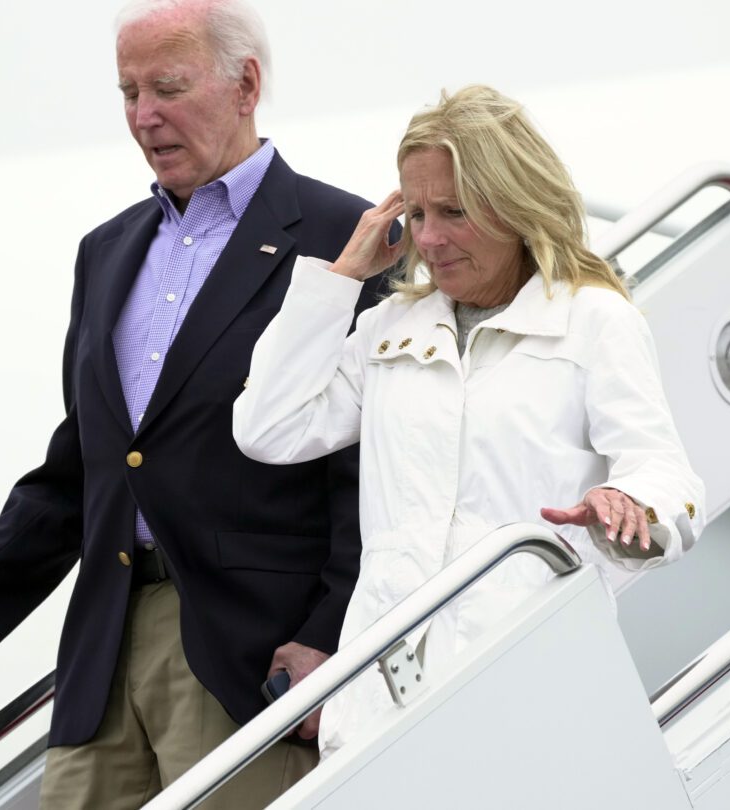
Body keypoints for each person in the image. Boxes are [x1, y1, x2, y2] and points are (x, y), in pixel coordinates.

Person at [0, 1, 388, 806]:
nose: (144, 116)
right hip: (101, 648)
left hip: (250, 656)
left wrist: (326, 636)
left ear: (246, 85)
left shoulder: (343, 235)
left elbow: (368, 468)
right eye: (128, 92)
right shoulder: (106, 251)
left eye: (167, 87)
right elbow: (86, 467)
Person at [233, 84, 705, 757]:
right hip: (380, 707)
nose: (429, 238)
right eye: (416, 212)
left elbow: (665, 470)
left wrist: (631, 503)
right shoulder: (389, 327)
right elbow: (266, 428)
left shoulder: (594, 321)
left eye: (454, 211)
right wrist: (339, 278)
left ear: (514, 203)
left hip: (524, 692)